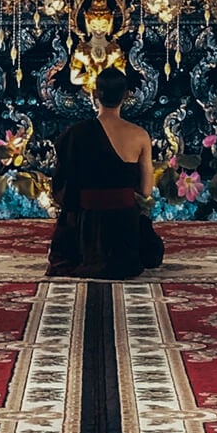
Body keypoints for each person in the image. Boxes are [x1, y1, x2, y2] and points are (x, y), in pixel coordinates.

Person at [46, 66, 164, 279]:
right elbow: (146, 190)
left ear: (94, 93)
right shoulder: (139, 136)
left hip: (86, 228)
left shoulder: (75, 134)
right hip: (124, 228)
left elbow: (62, 188)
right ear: (127, 95)